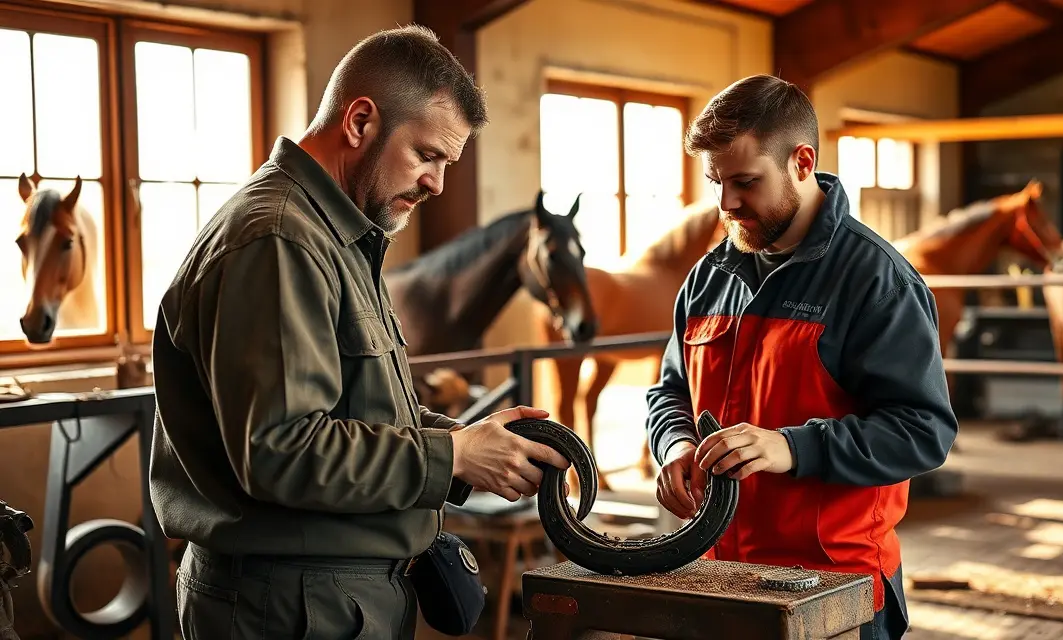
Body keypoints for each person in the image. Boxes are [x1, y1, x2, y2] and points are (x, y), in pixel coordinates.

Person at [149, 25, 569, 639]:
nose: (437, 184)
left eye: (446, 163)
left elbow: (351, 411)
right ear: (359, 122)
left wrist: (471, 445)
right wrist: (452, 455)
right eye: (427, 155)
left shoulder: (338, 237)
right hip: (287, 607)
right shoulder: (278, 240)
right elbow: (280, 449)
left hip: (330, 597)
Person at [645, 75, 958, 640]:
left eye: (745, 182)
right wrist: (674, 446)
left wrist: (791, 446)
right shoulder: (707, 279)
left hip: (836, 589)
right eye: (716, 182)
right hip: (726, 577)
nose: (727, 203)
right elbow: (669, 392)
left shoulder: (876, 282)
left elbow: (923, 431)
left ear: (802, 162)